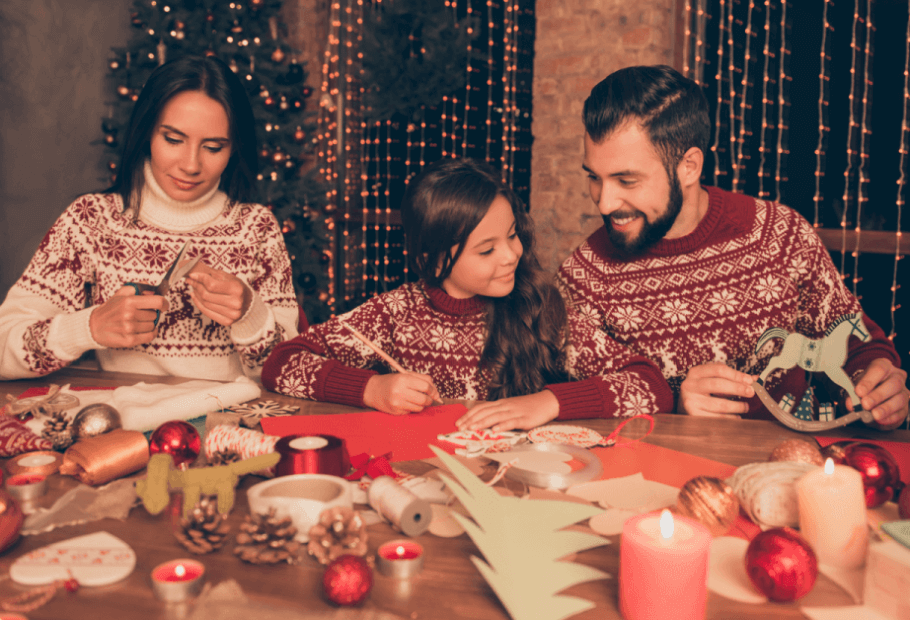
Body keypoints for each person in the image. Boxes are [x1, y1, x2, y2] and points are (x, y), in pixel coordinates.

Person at [558, 64, 909, 430]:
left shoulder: (781, 237)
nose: (604, 203)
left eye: (626, 180)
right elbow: (583, 418)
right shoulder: (584, 276)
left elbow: (855, 343)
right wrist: (674, 410)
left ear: (688, 167)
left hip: (788, 472)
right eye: (594, 178)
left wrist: (877, 384)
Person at [262, 158, 673, 431]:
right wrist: (372, 390)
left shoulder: (541, 309)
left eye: (512, 235)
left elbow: (651, 385)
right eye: (487, 249)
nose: (513, 254)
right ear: (436, 260)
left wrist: (549, 403)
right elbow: (282, 363)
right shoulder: (394, 314)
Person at [0, 55, 299, 382]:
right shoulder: (92, 220)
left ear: (234, 149)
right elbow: (4, 346)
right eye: (173, 139)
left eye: (213, 147)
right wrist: (90, 327)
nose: (190, 165)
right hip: (124, 426)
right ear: (146, 133)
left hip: (226, 426)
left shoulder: (257, 229)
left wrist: (249, 315)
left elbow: (291, 371)